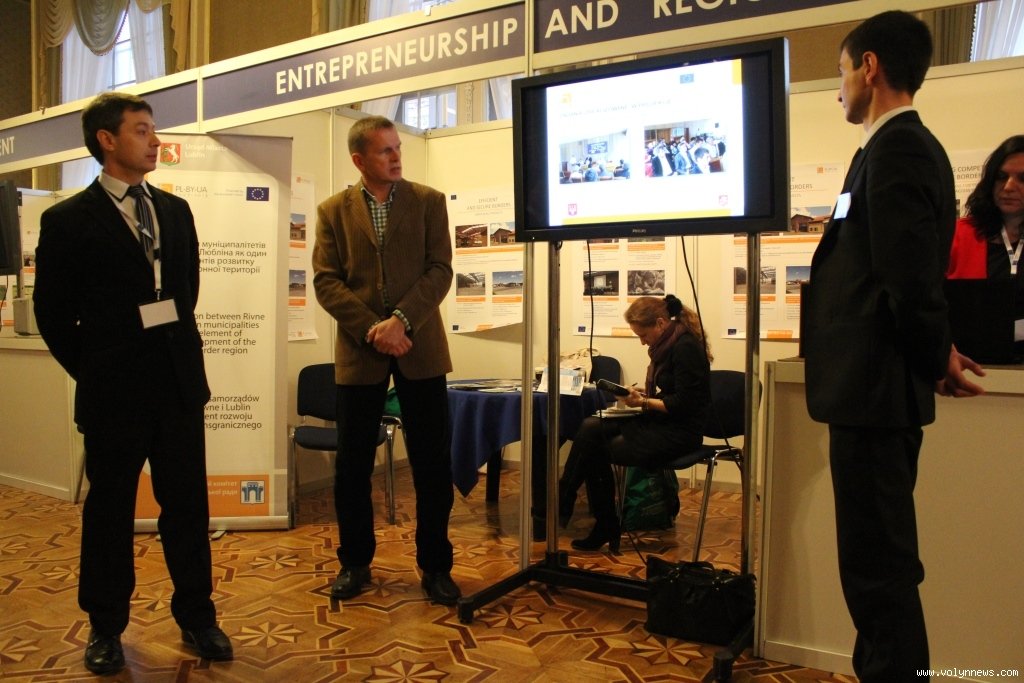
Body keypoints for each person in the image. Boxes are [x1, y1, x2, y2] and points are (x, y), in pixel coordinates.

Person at [801, 12, 985, 682]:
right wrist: (935, 350)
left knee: (879, 570)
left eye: (841, 72)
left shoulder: (900, 148)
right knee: (875, 566)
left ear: (869, 67)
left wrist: (935, 355)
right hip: (869, 393)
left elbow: (908, 279)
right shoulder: (886, 149)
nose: (838, 90)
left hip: (875, 394)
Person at [32, 92, 232, 676]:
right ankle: (105, 626)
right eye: (142, 130)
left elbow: (185, 293)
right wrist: (96, 369)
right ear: (107, 140)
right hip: (113, 395)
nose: (154, 140)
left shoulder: (174, 211)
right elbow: (52, 314)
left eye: (153, 129)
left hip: (177, 388)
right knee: (110, 513)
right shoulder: (67, 220)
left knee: (187, 507)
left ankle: (197, 616)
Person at [312, 115, 461, 606]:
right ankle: (355, 563)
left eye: (398, 148)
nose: (396, 157)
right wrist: (374, 329)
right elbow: (326, 281)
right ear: (359, 160)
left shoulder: (428, 201)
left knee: (432, 464)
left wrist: (401, 320)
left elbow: (440, 269)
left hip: (420, 348)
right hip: (361, 352)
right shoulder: (332, 211)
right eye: (385, 151)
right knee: (352, 466)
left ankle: (436, 567)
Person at [557, 295, 711, 552]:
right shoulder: (668, 344)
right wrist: (643, 395)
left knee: (596, 448)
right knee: (591, 426)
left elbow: (685, 404)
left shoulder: (686, 348)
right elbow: (671, 392)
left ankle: (592, 517)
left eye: (643, 335)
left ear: (660, 323)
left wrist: (644, 402)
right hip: (663, 421)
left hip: (680, 432)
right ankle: (567, 498)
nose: (642, 342)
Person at [946, 135, 1024, 356]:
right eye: (1001, 177)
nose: (1008, 187)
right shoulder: (958, 235)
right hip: (973, 362)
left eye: (1022, 178)